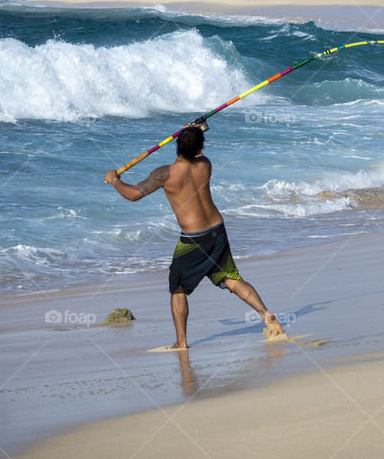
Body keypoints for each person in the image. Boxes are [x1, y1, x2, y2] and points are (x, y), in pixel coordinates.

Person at [104, 124, 286, 349]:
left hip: (194, 240)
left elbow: (132, 195)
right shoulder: (205, 165)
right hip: (217, 230)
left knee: (178, 289)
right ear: (199, 147)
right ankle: (266, 314)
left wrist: (115, 180)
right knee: (231, 278)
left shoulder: (164, 174)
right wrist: (197, 131)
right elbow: (196, 150)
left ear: (177, 145)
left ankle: (181, 342)